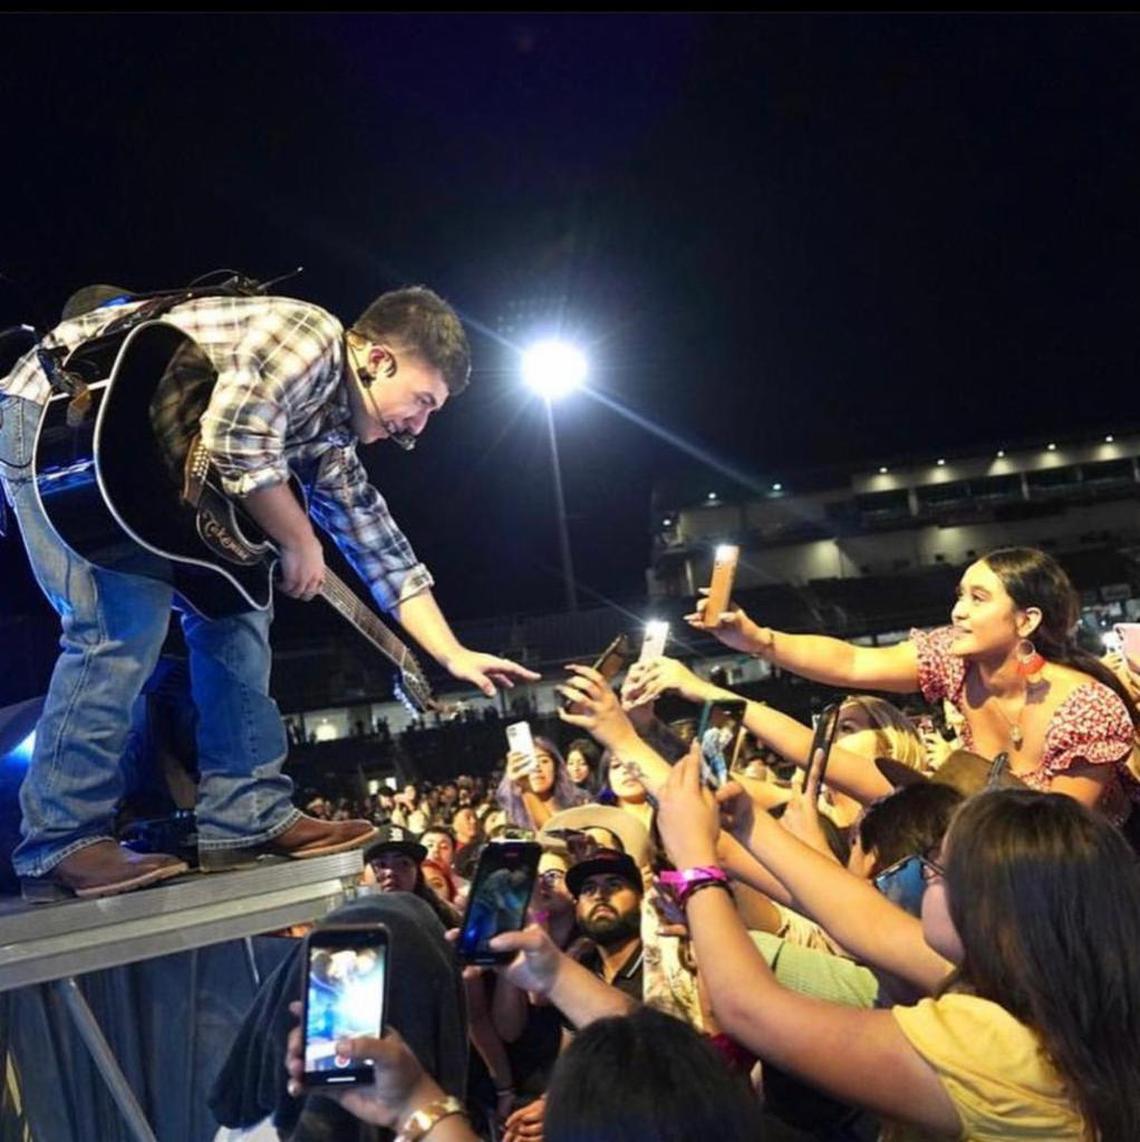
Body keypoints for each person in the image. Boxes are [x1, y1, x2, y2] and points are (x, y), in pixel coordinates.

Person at [0, 282, 538, 900]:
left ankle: (245, 812)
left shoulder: (329, 435)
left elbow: (378, 543)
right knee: (120, 626)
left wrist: (451, 655)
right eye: (422, 401)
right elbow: (238, 438)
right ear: (379, 359)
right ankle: (61, 838)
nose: (416, 425)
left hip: (136, 467)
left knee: (240, 610)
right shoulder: (308, 335)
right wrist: (300, 540)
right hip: (51, 417)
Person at [655, 747, 1140, 1140]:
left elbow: (750, 1010)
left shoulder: (993, 1047)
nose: (925, 873)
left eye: (938, 868)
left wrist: (695, 866)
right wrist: (749, 824)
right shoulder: (1049, 995)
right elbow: (863, 918)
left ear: (994, 914)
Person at [681, 546, 1140, 822]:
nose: (958, 612)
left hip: (1092, 889)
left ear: (1027, 620)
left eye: (977, 599)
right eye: (959, 596)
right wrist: (758, 639)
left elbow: (1062, 836)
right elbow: (854, 662)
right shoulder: (954, 660)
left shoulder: (1084, 706)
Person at [496, 737, 586, 831]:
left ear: (556, 768)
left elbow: (552, 837)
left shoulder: (580, 803)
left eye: (544, 761)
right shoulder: (507, 817)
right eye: (529, 762)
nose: (536, 767)